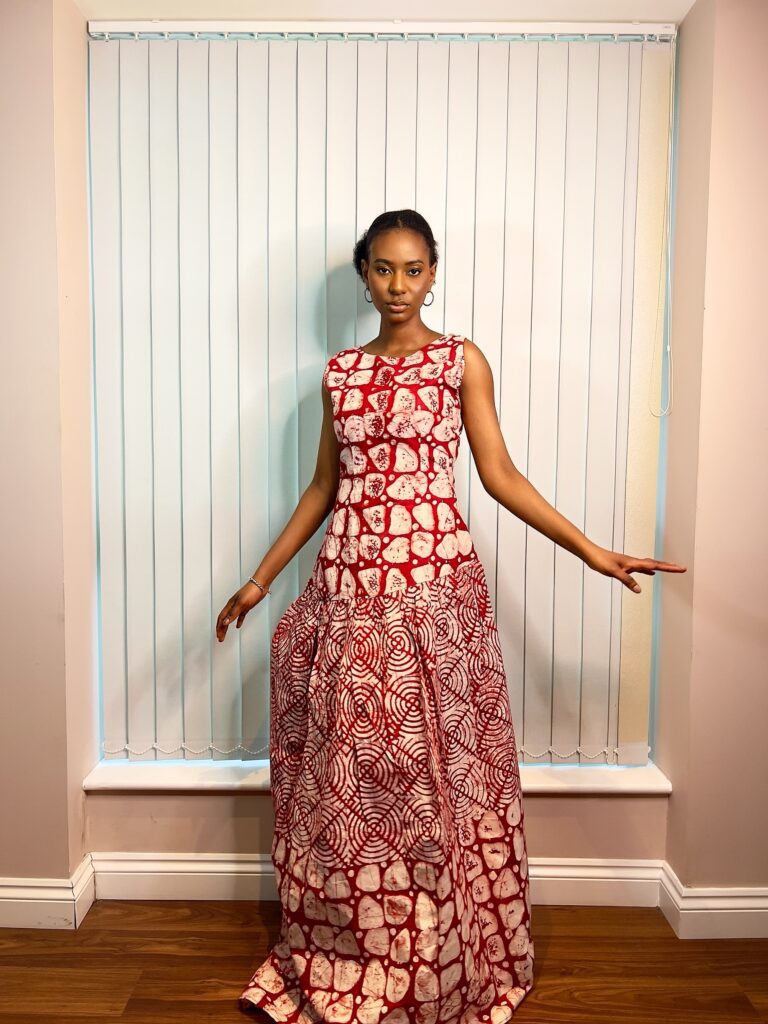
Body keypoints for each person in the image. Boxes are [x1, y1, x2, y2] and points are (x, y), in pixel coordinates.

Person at [217, 209, 686, 1024]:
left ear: (434, 273)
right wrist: (260, 581)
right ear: (364, 273)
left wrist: (592, 551)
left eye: (414, 269)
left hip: (436, 593)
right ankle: (362, 947)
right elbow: (325, 488)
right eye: (384, 269)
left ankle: (445, 952)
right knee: (358, 779)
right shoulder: (339, 375)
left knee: (436, 782)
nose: (398, 286)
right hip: (351, 588)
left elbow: (499, 472)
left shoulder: (458, 362)